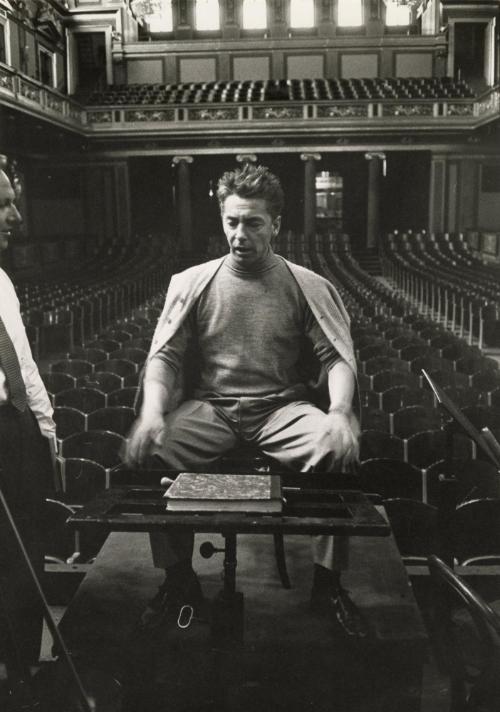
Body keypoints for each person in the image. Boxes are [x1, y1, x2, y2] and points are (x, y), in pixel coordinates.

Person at [124, 164, 362, 636]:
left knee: (336, 449)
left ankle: (328, 582)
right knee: (151, 449)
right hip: (212, 408)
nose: (240, 233)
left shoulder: (305, 284)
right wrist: (152, 411)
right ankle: (178, 579)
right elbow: (165, 357)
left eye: (253, 222)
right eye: (232, 221)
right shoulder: (192, 282)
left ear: (276, 224)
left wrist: (338, 412)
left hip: (280, 410)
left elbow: (336, 358)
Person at [0, 158, 57, 683]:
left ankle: (22, 672)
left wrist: (46, 431)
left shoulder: (2, 280)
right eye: (2, 203)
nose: (14, 214)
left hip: (16, 432)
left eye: (12, 200)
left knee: (25, 558)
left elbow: (22, 364)